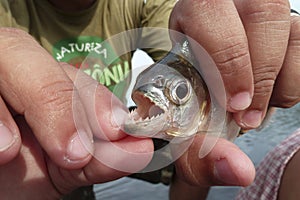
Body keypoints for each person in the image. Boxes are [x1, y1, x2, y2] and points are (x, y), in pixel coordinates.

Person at [0, 0, 299, 199]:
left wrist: (274, 31)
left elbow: (187, 38)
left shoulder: (139, 3)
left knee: (192, 150)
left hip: (122, 142)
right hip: (30, 162)